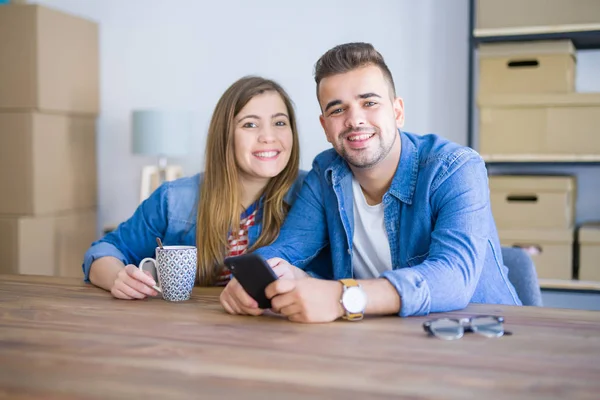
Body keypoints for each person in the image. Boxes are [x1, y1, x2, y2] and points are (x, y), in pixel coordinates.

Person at [220, 42, 522, 322]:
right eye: (338, 109)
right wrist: (247, 281)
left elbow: (454, 277)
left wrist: (344, 297)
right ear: (325, 126)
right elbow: (287, 250)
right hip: (384, 345)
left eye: (369, 102)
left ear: (397, 111)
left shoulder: (455, 169)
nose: (354, 120)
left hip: (485, 336)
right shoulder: (326, 173)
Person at [83, 76, 310, 299]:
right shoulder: (174, 200)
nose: (268, 137)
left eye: (280, 123)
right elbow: (103, 251)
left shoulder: (313, 194)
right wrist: (118, 278)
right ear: (225, 136)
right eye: (250, 124)